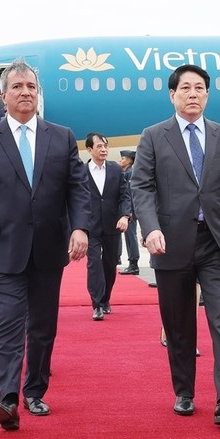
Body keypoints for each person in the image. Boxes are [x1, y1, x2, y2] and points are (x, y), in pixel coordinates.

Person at [0, 59, 90, 431]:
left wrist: (80, 227)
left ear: (38, 93)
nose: (25, 93)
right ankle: (7, 399)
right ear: (3, 97)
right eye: (17, 87)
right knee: (9, 324)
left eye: (31, 86)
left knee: (43, 327)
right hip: (3, 249)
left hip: (49, 249)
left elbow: (76, 188)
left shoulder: (61, 136)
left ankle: (35, 390)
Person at [131, 63, 220, 425]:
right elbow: (141, 187)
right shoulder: (154, 135)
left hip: (216, 242)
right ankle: (184, 391)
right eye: (185, 88)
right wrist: (150, 228)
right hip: (169, 243)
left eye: (199, 88)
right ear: (173, 95)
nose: (193, 94)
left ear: (207, 94)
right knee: (179, 323)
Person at [84, 132, 131, 320]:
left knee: (110, 264)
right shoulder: (81, 172)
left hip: (113, 226)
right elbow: (76, 199)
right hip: (91, 227)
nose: (104, 150)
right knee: (94, 264)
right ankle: (96, 304)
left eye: (106, 146)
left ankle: (105, 299)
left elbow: (125, 195)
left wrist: (125, 216)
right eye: (99, 147)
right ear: (89, 149)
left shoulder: (115, 170)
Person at [117, 149, 140, 275]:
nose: (121, 161)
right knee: (129, 236)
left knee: (131, 236)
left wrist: (128, 212)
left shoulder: (130, 173)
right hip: (130, 209)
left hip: (130, 209)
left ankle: (134, 264)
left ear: (130, 161)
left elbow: (130, 194)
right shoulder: (126, 172)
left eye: (123, 158)